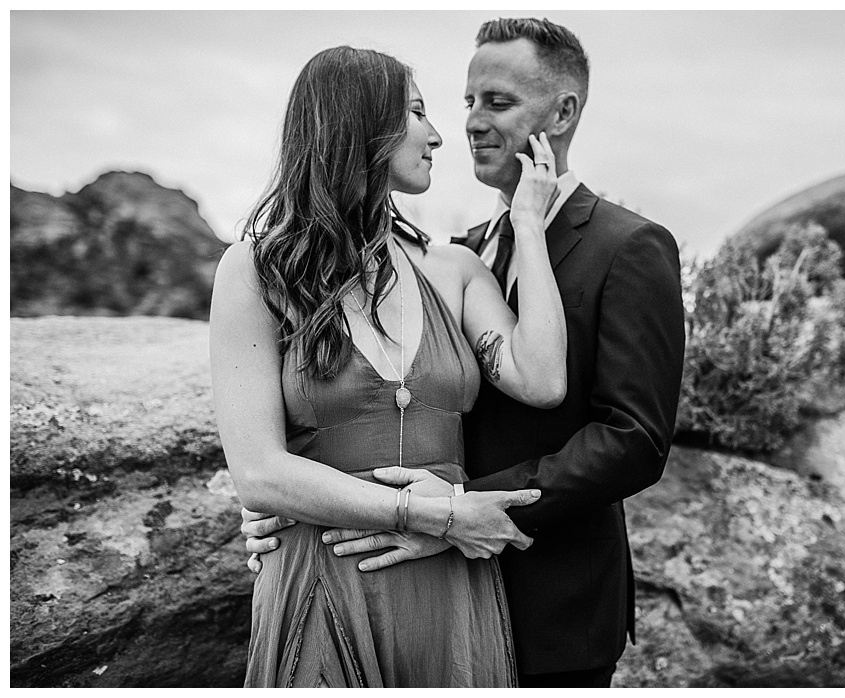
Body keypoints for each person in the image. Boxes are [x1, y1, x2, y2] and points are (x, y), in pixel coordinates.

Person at [243, 18, 686, 688]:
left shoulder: (629, 246)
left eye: (498, 103)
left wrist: (461, 509)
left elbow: (634, 439)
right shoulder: (460, 249)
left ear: (562, 111)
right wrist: (290, 497)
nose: (471, 123)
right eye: (467, 102)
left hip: (549, 598)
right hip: (407, 566)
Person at [211, 46, 568, 686]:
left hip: (447, 584)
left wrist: (530, 230)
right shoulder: (255, 271)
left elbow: (542, 381)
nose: (437, 135)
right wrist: (441, 515)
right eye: (417, 112)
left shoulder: (452, 268)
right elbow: (259, 475)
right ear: (360, 124)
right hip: (323, 579)